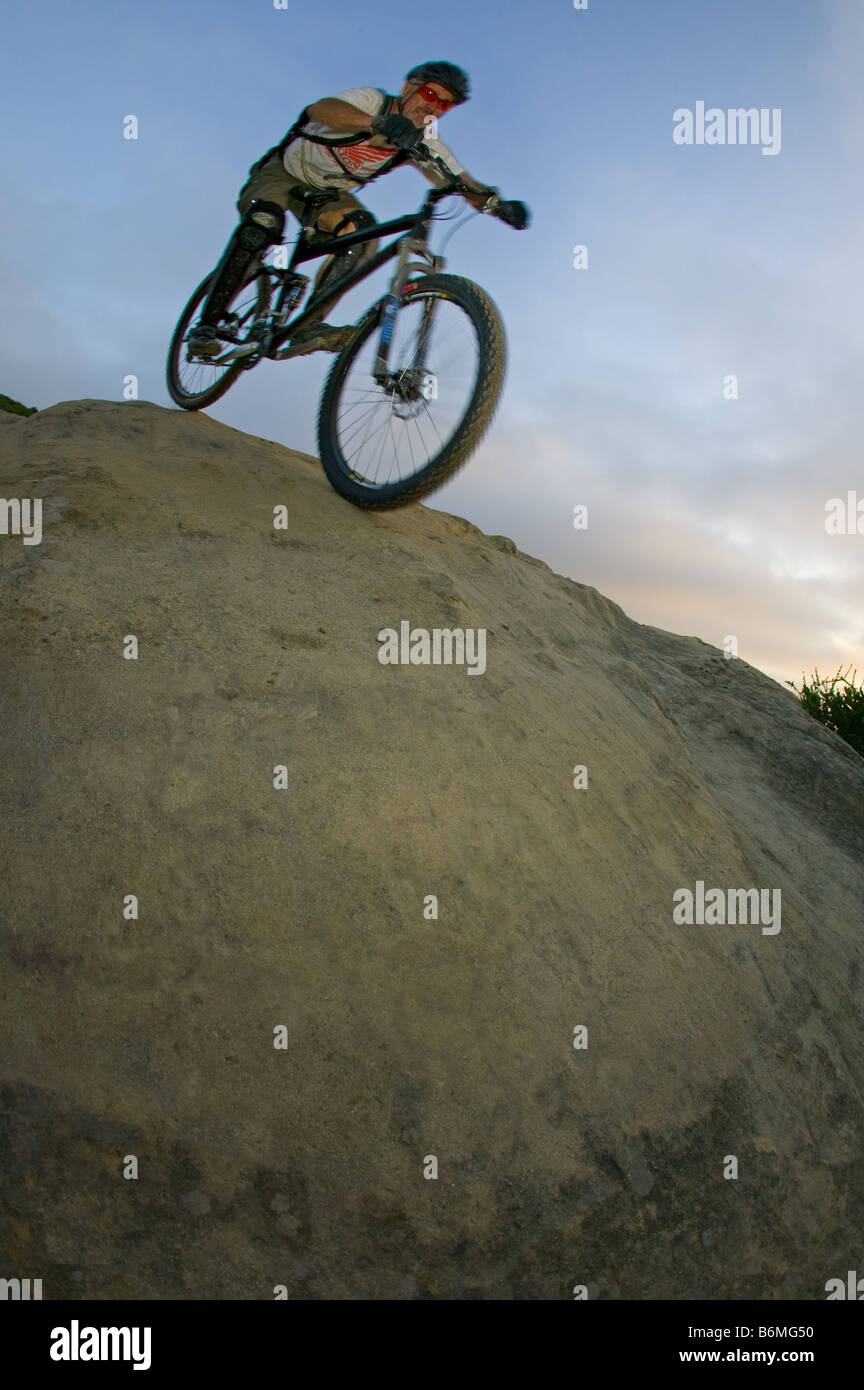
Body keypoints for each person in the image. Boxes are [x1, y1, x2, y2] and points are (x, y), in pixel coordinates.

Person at [187, 61, 529, 358]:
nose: (434, 108)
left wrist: (496, 205)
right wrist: (375, 124)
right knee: (261, 225)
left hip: (324, 194)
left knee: (363, 234)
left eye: (446, 106)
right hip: (282, 174)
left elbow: (460, 180)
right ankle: (206, 325)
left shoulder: (423, 140)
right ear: (408, 87)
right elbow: (321, 110)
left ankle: (309, 325)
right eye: (430, 95)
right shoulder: (372, 101)